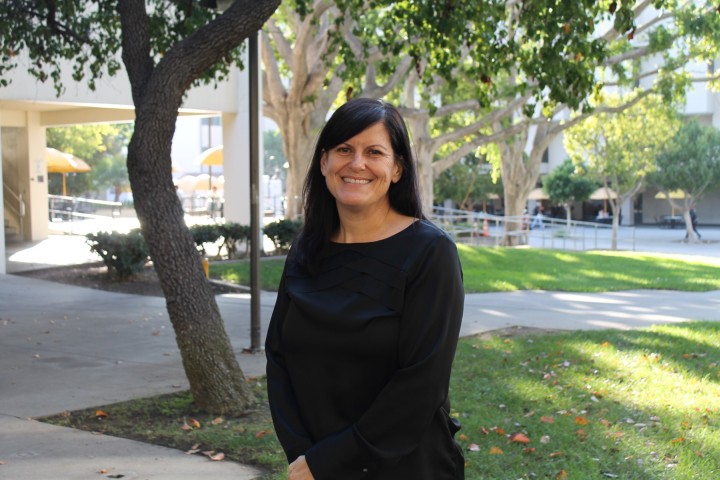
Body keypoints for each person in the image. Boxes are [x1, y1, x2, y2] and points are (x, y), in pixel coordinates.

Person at [265, 98, 465, 480]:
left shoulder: (430, 252)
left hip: (406, 467)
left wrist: (329, 461)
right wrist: (302, 455)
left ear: (397, 169)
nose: (356, 163)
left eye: (374, 152)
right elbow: (278, 358)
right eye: (344, 150)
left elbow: (422, 384)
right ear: (324, 162)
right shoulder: (306, 251)